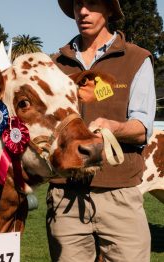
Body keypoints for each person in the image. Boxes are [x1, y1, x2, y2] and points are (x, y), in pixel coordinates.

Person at [46, 0, 156, 261]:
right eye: (77, 5)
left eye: (92, 3)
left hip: (119, 195)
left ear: (109, 10)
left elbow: (142, 128)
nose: (83, 12)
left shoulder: (136, 59)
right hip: (65, 197)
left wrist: (113, 127)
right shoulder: (55, 65)